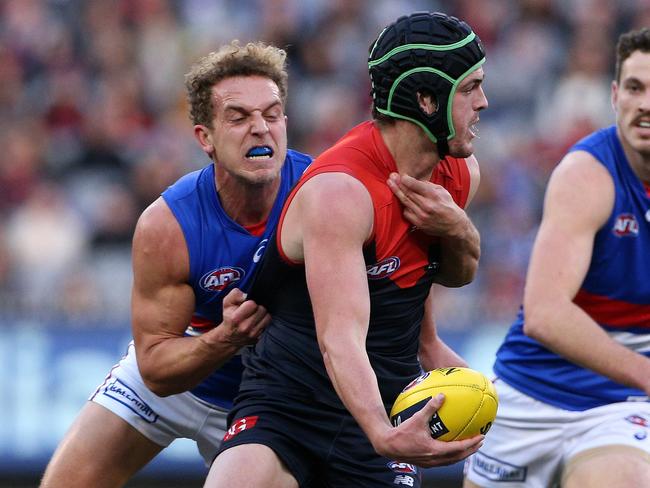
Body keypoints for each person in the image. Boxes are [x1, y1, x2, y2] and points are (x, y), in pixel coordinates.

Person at [206, 11, 489, 488]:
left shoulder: (461, 174)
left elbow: (447, 275)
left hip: (389, 400)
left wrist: (458, 228)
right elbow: (339, 337)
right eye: (469, 88)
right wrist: (382, 434)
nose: (483, 102)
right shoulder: (341, 192)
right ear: (425, 99)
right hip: (289, 404)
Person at [39, 41, 312, 488]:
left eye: (272, 114)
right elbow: (157, 370)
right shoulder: (169, 224)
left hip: (271, 399)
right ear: (205, 137)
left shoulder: (322, 195)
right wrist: (226, 338)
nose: (260, 129)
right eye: (239, 117)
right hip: (183, 375)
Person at [464, 27, 650, 488]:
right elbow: (544, 316)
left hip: (621, 406)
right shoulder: (588, 173)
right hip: (530, 394)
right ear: (613, 96)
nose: (645, 103)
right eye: (634, 87)